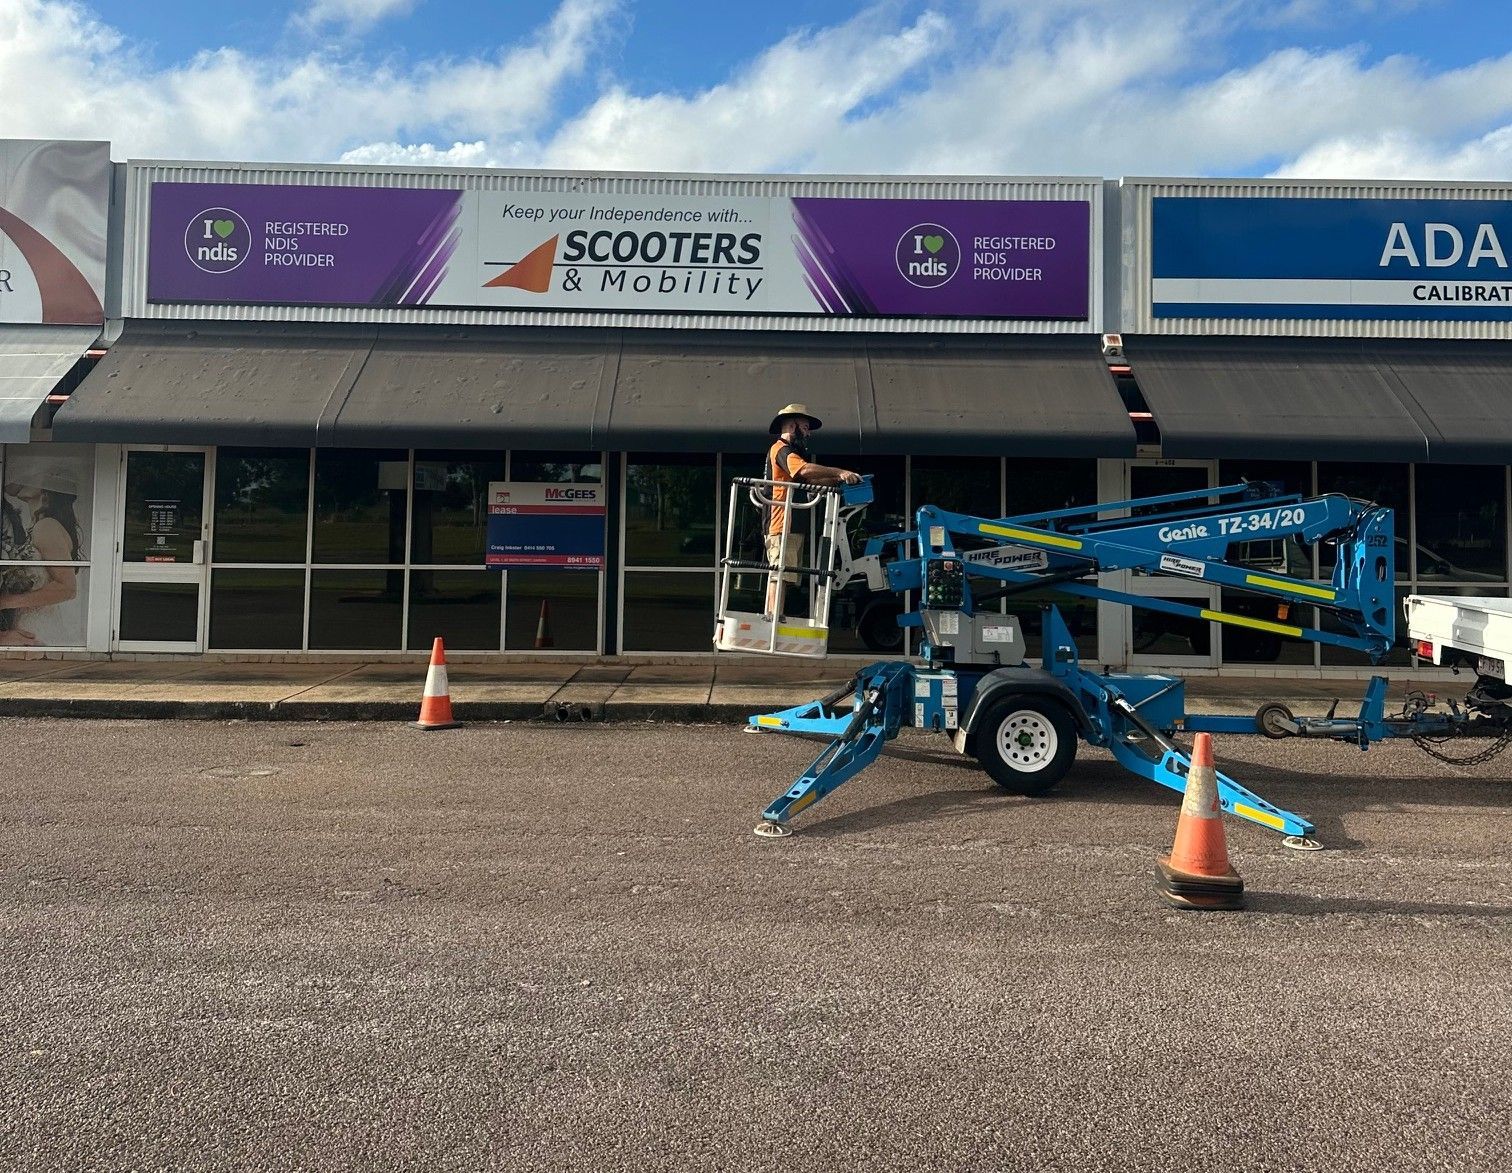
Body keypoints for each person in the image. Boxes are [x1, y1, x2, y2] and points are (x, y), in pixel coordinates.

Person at [763, 402, 861, 616]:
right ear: (791, 426)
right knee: (779, 573)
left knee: (786, 575)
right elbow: (804, 470)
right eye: (805, 427)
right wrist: (839, 472)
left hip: (792, 523)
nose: (808, 433)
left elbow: (809, 480)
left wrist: (838, 481)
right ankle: (772, 617)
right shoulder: (782, 450)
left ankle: (775, 616)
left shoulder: (791, 453)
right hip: (782, 523)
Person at [0, 459, 87, 647]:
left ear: (46, 489)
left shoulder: (46, 527)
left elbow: (67, 588)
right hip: (26, 622)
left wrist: (7, 602)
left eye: (33, 475)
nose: (25, 479)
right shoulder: (36, 527)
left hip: (35, 626)